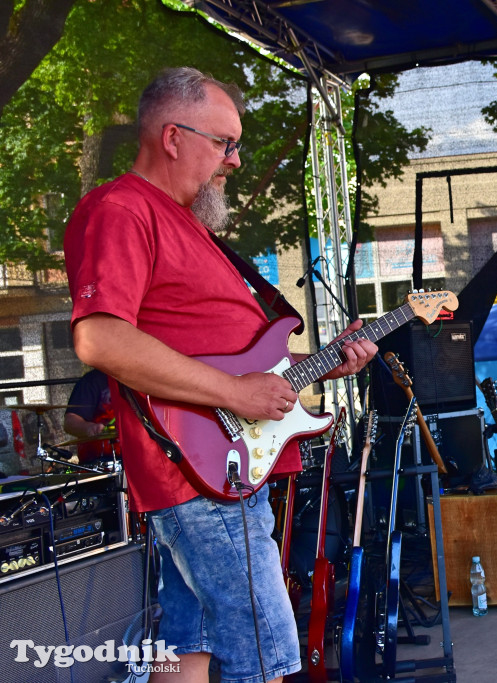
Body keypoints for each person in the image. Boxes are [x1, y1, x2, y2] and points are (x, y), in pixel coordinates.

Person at [63, 67, 377, 683]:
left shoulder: (190, 226)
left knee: (192, 646)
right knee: (262, 655)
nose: (234, 161)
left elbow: (228, 350)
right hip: (196, 474)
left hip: (219, 468)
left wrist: (319, 361)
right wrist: (236, 393)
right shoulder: (122, 208)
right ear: (173, 136)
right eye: (225, 143)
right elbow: (100, 337)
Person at [63, 368, 116, 463]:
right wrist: (90, 428)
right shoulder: (93, 380)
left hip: (139, 459)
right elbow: (70, 421)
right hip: (99, 461)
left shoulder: (142, 379)